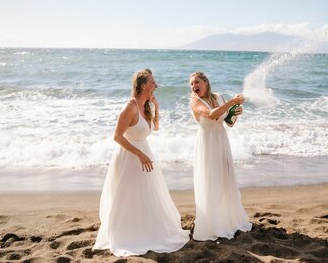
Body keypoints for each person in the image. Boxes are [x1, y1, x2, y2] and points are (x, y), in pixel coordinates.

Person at [93, 69, 189, 257]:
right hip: (130, 157)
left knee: (147, 195)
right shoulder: (130, 107)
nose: (157, 85)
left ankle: (147, 229)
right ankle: (128, 233)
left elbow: (156, 127)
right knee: (129, 197)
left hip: (145, 156)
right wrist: (139, 154)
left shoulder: (145, 106)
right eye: (153, 82)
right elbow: (117, 137)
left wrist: (157, 107)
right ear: (143, 85)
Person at [189, 72, 252, 241]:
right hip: (207, 143)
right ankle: (211, 222)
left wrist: (235, 112)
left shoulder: (219, 97)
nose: (194, 86)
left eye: (197, 82)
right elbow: (211, 114)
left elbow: (229, 123)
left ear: (206, 83)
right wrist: (232, 101)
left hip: (221, 140)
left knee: (224, 178)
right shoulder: (195, 101)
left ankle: (226, 218)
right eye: (191, 84)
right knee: (211, 181)